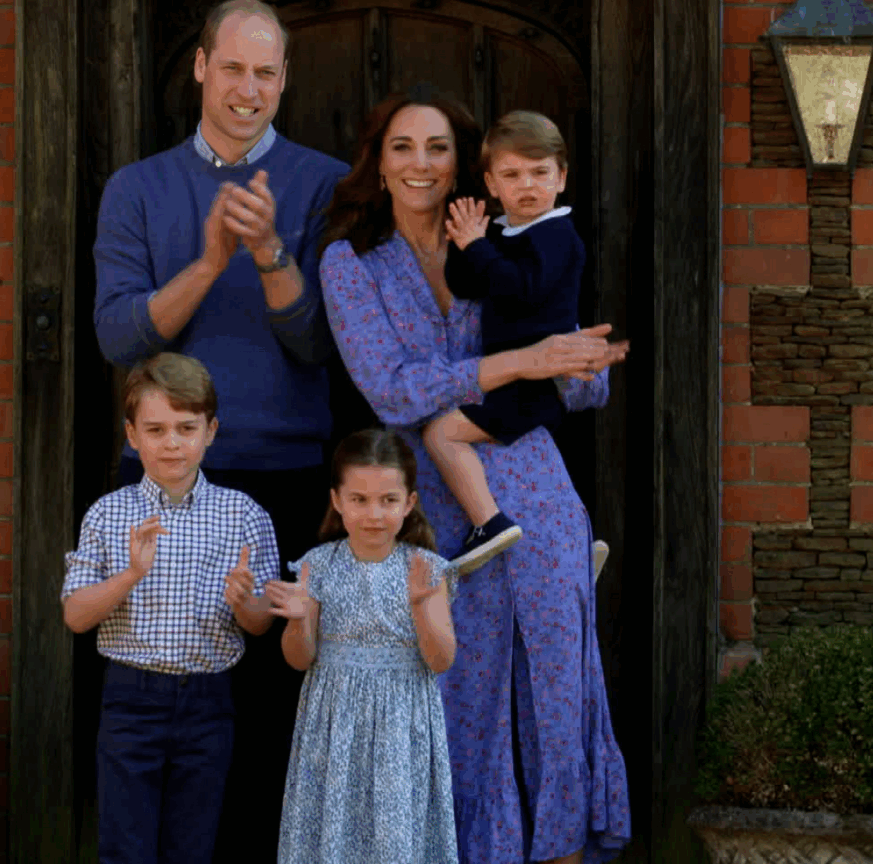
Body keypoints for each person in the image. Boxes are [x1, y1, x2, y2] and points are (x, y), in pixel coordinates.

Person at [317, 85, 633, 864]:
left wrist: (580, 363)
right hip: (431, 501)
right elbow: (391, 388)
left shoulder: (506, 235)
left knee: (559, 686)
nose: (420, 164)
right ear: (378, 164)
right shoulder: (350, 262)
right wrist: (523, 361)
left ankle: (562, 849)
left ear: (466, 167)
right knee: (459, 696)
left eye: (437, 148)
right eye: (403, 147)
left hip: (535, 480)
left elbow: (575, 375)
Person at [90, 2, 350, 858]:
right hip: (164, 479)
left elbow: (320, 344)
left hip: (283, 476)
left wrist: (272, 252)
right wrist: (208, 261)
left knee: (272, 713)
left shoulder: (325, 185)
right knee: (157, 709)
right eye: (232, 69)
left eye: (266, 74)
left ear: (284, 81)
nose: (248, 90)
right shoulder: (138, 188)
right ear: (200, 67)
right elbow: (121, 337)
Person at [61, 352, 278, 864]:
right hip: (130, 699)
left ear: (211, 431)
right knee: (125, 848)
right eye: (156, 429)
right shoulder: (108, 513)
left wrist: (246, 602)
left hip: (208, 701)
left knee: (193, 847)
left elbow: (261, 624)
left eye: (186, 428)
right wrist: (131, 574)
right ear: (132, 435)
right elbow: (75, 615)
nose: (172, 443)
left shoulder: (243, 514)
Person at [267, 429, 458, 863]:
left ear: (409, 503)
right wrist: (298, 620)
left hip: (400, 727)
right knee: (334, 831)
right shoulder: (318, 565)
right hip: (333, 726)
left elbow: (441, 659)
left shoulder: (426, 569)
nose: (374, 513)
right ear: (337, 500)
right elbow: (299, 658)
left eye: (388, 500)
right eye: (359, 499)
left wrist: (423, 607)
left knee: (394, 838)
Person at [424, 110, 584, 575]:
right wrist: (464, 241)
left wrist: (479, 245)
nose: (527, 186)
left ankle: (488, 523)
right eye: (512, 175)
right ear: (492, 185)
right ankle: (563, 546)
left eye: (540, 173)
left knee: (441, 433)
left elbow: (520, 289)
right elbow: (468, 284)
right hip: (510, 377)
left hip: (534, 385)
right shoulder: (505, 233)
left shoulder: (558, 235)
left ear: (562, 177)